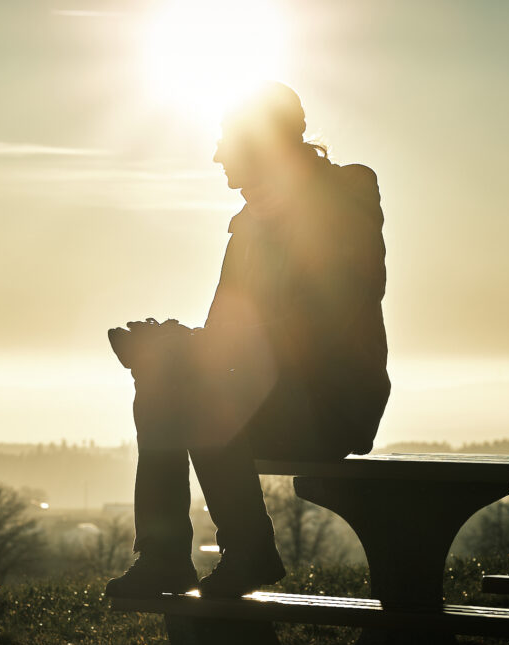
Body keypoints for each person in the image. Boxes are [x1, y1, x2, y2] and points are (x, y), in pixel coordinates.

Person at [105, 82, 390, 599]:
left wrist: (192, 350)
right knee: (162, 385)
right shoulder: (250, 226)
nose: (216, 156)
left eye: (226, 142)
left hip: (332, 402)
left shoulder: (340, 205)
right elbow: (227, 338)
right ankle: (166, 558)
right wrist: (170, 349)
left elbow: (323, 327)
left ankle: (249, 551)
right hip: (270, 398)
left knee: (195, 393)